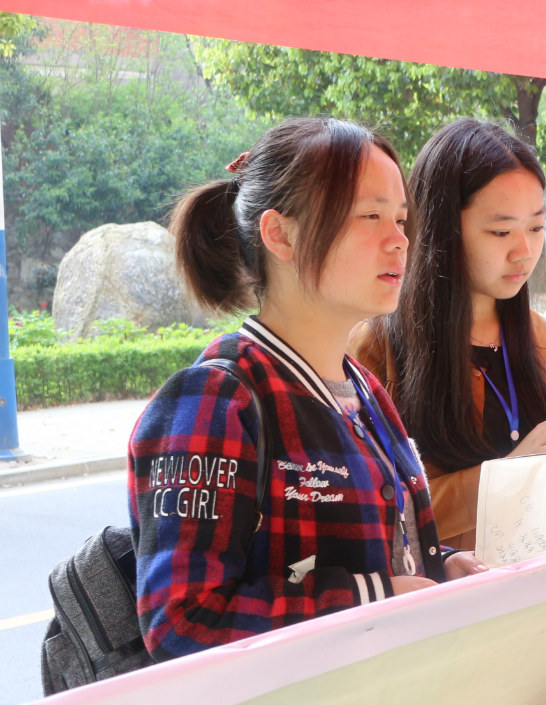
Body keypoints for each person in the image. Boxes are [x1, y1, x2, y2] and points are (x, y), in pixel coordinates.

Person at [131, 117, 471, 661]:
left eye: (401, 218)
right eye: (369, 216)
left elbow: (379, 547)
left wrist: (442, 565)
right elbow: (181, 623)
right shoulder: (216, 397)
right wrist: (372, 598)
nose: (399, 241)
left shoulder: (364, 388)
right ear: (280, 235)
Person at [351, 118, 546, 550]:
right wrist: (510, 475)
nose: (525, 252)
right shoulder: (375, 348)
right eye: (501, 231)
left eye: (536, 227)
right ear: (441, 228)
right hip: (446, 590)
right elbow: (374, 516)